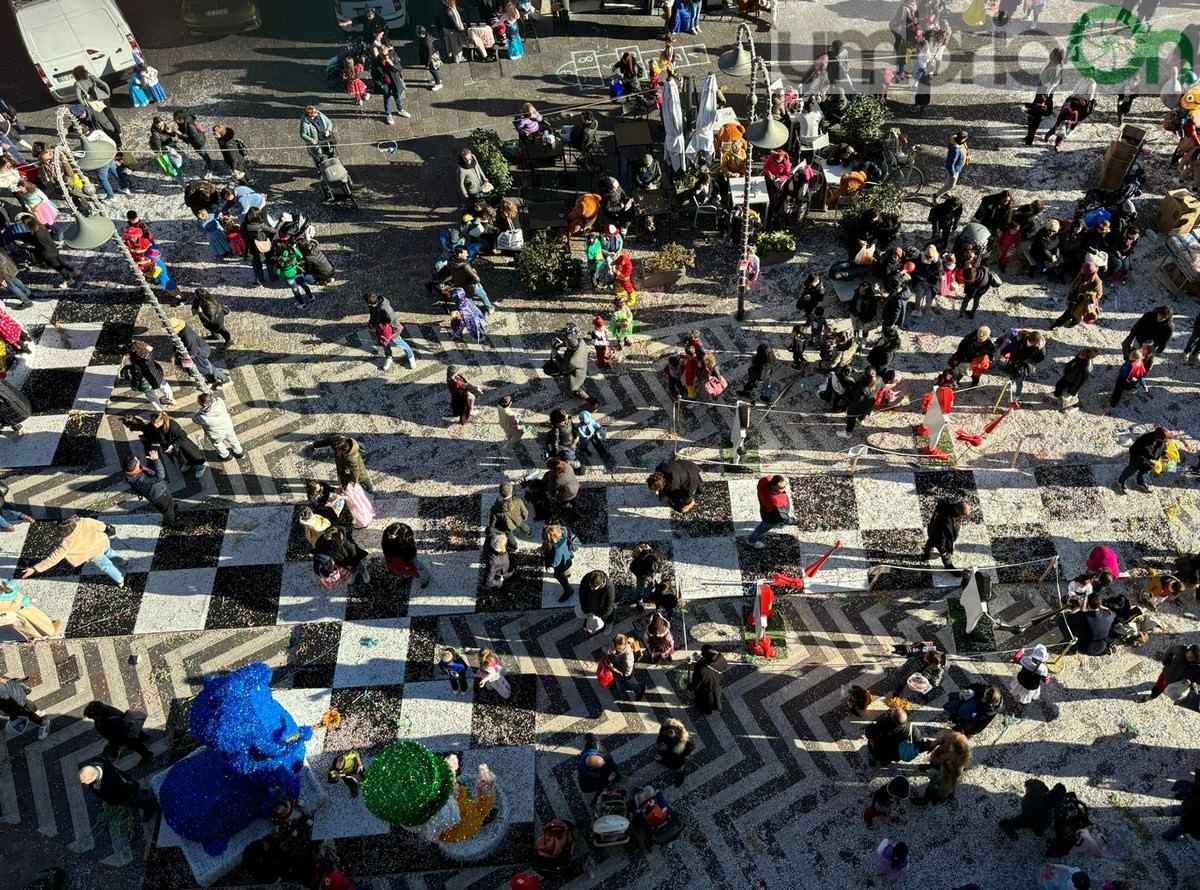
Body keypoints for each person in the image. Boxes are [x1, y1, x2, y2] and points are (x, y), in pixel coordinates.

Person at [79, 760, 157, 819]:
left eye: (84, 781)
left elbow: (118, 793)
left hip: (125, 795)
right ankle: (144, 793)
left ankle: (149, 807)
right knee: (137, 791)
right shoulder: (96, 762)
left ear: (91, 779)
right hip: (127, 784)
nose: (83, 782)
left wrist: (115, 802)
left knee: (136, 801)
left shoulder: (106, 784)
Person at [83, 701, 152, 764]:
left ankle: (146, 755)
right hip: (128, 724)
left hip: (126, 734)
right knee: (137, 732)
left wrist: (113, 743)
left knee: (136, 745)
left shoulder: (109, 720)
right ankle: (144, 737)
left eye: (91, 717)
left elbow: (117, 735)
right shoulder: (105, 709)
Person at [170, 317, 230, 387]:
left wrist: (184, 360)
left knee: (210, 369)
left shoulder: (188, 338)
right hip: (198, 351)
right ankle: (211, 380)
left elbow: (192, 352)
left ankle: (225, 380)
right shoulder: (183, 331)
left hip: (200, 353)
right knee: (205, 370)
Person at [364, 292, 416, 371]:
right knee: (385, 343)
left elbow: (393, 320)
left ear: (370, 303)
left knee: (399, 342)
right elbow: (373, 314)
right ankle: (389, 357)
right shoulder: (372, 304)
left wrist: (395, 332)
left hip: (391, 329)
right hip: (381, 327)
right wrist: (371, 323)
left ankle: (411, 356)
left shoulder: (386, 309)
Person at [1115, 426, 1172, 494]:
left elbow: (1163, 447)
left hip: (1151, 462)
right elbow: (1132, 451)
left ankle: (1140, 483)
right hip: (1137, 461)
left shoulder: (1162, 440)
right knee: (1130, 471)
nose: (1166, 440)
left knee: (1145, 472)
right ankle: (1120, 482)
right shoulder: (1143, 440)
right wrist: (1146, 460)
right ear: (1159, 438)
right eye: (1165, 439)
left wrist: (1164, 454)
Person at [123, 451, 178, 521]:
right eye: (138, 459)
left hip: (153, 494)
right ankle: (172, 521)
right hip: (159, 494)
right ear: (136, 466)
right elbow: (160, 476)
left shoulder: (129, 475)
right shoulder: (141, 479)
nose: (139, 460)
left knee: (166, 505)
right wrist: (156, 460)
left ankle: (171, 508)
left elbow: (134, 486)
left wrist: (139, 493)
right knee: (167, 509)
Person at [308, 435, 372, 492]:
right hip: (342, 468)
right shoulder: (337, 441)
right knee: (344, 481)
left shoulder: (352, 457)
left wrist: (353, 483)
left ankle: (370, 490)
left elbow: (355, 471)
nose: (333, 450)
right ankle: (346, 489)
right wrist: (314, 445)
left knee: (362, 477)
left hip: (357, 470)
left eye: (335, 450)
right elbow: (329, 441)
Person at [193, 393, 244, 461]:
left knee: (218, 444)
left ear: (205, 405)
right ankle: (239, 453)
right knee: (233, 439)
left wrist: (201, 410)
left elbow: (194, 418)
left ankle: (226, 456)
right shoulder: (220, 400)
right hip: (228, 426)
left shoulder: (203, 417)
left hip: (217, 434)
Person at [381, 522, 433, 588]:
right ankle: (408, 573)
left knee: (417, 564)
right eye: (388, 535)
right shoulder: (387, 534)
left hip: (409, 555)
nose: (388, 537)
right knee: (406, 567)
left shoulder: (406, 536)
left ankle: (426, 577)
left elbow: (409, 548)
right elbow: (384, 546)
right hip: (398, 557)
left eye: (391, 536)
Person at [922, 499, 970, 569]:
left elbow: (941, 501)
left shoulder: (949, 503)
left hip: (932, 530)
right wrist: (943, 551)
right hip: (940, 537)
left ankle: (926, 555)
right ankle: (948, 566)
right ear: (959, 511)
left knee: (930, 542)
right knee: (945, 553)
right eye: (963, 514)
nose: (963, 516)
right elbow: (941, 539)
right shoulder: (947, 523)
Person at [0, 674, 51, 739]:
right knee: (26, 702)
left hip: (16, 703)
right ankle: (39, 713)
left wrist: (13, 717)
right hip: (14, 689)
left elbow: (10, 706)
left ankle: (44, 724)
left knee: (28, 714)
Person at [749, 475, 793, 548]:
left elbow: (766, 479)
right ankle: (751, 541)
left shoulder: (763, 482)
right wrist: (794, 521)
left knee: (765, 525)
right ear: (773, 486)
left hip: (765, 512)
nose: (784, 488)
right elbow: (783, 517)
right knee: (762, 529)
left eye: (785, 485)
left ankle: (779, 524)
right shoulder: (776, 502)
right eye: (781, 488)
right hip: (771, 520)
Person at [371, 44, 410, 125]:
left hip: (394, 81)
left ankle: (400, 109)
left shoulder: (392, 57)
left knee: (397, 95)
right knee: (387, 99)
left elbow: (400, 69)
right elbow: (374, 76)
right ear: (380, 54)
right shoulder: (376, 63)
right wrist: (381, 85)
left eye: (387, 54)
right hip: (385, 84)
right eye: (384, 55)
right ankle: (388, 114)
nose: (386, 57)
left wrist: (392, 64)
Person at [488, 483, 531, 553]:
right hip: (519, 520)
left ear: (500, 493)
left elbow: (493, 521)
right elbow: (524, 511)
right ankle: (528, 533)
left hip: (506, 526)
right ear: (511, 491)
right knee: (524, 526)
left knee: (510, 537)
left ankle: (514, 547)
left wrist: (493, 528)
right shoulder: (518, 501)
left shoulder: (494, 508)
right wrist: (525, 518)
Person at [542, 523, 580, 602]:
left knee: (558, 575)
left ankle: (568, 590)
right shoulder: (563, 533)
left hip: (561, 566)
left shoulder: (555, 550)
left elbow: (554, 563)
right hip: (567, 558)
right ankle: (568, 574)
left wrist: (543, 553)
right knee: (567, 569)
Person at [688, 644, 728, 715]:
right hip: (718, 685)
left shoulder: (701, 668)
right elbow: (725, 666)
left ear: (703, 655)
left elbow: (696, 683)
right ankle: (714, 708)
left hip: (706, 691)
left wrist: (689, 687)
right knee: (716, 699)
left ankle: (707, 711)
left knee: (706, 703)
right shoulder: (720, 657)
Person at [654, 718, 694, 787]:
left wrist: (662, 759)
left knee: (679, 768)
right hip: (672, 752)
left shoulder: (679, 752)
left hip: (675, 757)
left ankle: (681, 775)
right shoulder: (670, 727)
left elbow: (677, 764)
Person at [932, 131, 968, 199]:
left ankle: (945, 192)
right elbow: (950, 164)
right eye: (965, 139)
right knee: (951, 185)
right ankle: (935, 196)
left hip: (956, 167)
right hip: (954, 169)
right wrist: (953, 174)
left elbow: (965, 148)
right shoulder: (955, 151)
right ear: (961, 139)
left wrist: (967, 155)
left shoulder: (956, 140)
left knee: (948, 182)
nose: (966, 140)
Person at [579, 569, 616, 634]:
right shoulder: (587, 578)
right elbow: (581, 593)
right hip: (590, 605)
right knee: (589, 617)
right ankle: (588, 623)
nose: (591, 588)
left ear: (602, 583)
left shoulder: (609, 589)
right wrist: (585, 609)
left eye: (594, 587)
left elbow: (609, 605)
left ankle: (609, 625)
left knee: (609, 618)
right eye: (590, 585)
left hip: (601, 610)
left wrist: (601, 615)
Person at [607, 634, 643, 701]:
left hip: (622, 675)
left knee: (621, 686)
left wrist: (613, 667)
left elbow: (626, 673)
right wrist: (611, 653)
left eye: (612, 646)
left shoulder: (627, 659)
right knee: (618, 683)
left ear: (618, 648)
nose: (610, 646)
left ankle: (639, 689)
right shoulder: (620, 645)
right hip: (617, 670)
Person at [416, 26, 444, 90]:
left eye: (417, 33)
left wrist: (427, 64)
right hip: (431, 56)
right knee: (435, 69)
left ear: (420, 34)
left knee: (433, 70)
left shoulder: (428, 43)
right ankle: (438, 78)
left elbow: (429, 55)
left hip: (431, 59)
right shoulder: (425, 37)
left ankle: (438, 83)